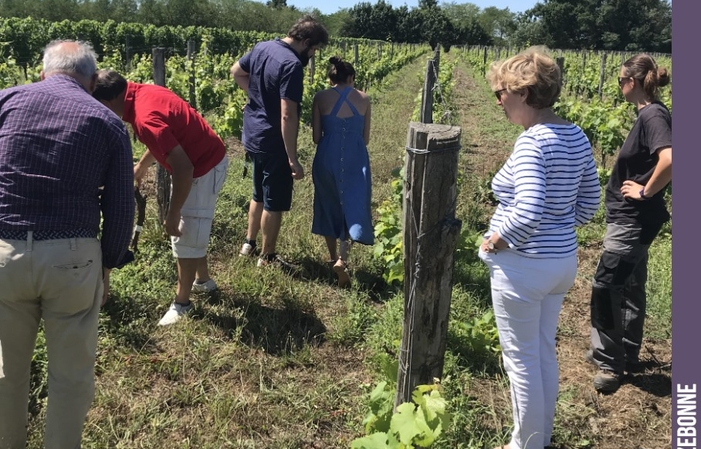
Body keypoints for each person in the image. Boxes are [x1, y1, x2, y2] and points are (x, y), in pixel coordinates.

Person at [0, 40, 135, 449]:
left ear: (43, 72)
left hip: (5, 249)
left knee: (6, 368)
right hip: (72, 256)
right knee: (70, 374)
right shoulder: (106, 120)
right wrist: (108, 265)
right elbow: (119, 204)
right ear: (93, 81)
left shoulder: (5, 101)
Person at [479, 48, 601, 449]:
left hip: (524, 269)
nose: (498, 101)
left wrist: (497, 239)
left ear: (524, 93)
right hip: (560, 264)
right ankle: (539, 439)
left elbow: (528, 209)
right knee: (543, 353)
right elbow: (588, 204)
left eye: (502, 93)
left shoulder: (533, 142)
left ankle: (525, 445)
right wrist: (559, 229)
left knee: (521, 361)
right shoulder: (576, 134)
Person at [92, 70, 229, 326]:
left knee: (185, 233)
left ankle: (182, 303)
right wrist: (141, 167)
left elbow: (184, 168)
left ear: (107, 102)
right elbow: (163, 141)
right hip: (209, 157)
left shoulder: (144, 117)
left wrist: (173, 212)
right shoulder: (143, 93)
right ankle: (203, 281)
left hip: (202, 168)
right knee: (193, 229)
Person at [587, 54, 672, 393]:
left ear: (632, 82)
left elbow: (670, 158)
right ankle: (627, 353)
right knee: (631, 285)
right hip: (637, 221)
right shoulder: (652, 113)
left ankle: (609, 363)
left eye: (620, 80)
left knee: (606, 285)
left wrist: (645, 191)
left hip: (632, 221)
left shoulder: (652, 114)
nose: (618, 85)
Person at [230, 15, 328, 268]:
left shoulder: (263, 47)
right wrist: (292, 157)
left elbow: (236, 72)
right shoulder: (291, 65)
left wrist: (256, 97)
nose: (313, 55)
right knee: (273, 201)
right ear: (306, 42)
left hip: (253, 135)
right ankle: (267, 257)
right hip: (273, 140)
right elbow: (287, 114)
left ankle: (248, 245)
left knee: (258, 193)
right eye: (314, 49)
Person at [311, 57, 373, 288]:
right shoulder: (364, 99)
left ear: (331, 78)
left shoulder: (320, 97)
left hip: (327, 155)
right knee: (354, 203)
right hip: (356, 156)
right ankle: (343, 258)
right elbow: (365, 139)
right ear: (351, 78)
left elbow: (316, 137)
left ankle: (330, 256)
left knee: (328, 203)